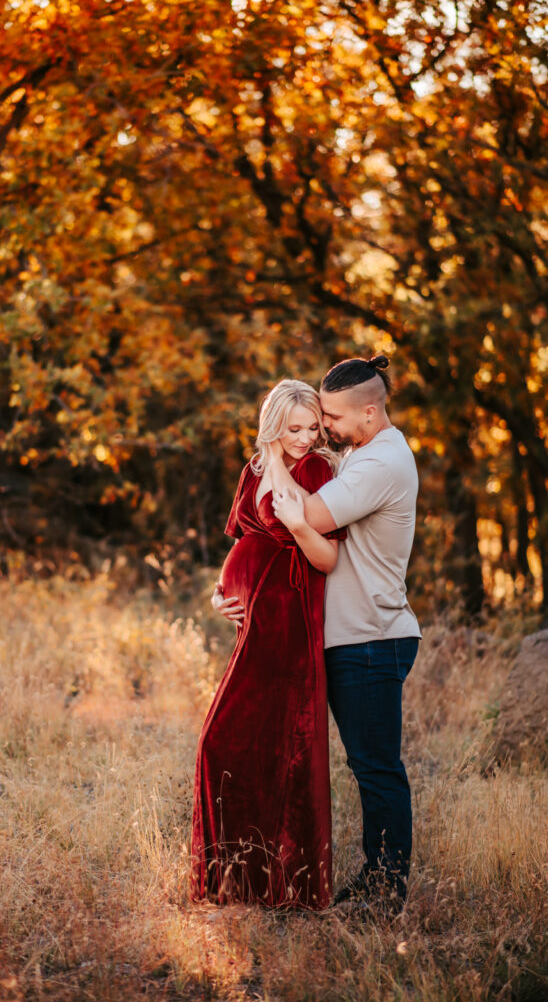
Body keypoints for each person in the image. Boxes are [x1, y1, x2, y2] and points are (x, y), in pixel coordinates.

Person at [270, 355, 420, 914]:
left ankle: (386, 891)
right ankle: (375, 877)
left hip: (371, 638)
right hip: (355, 637)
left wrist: (272, 453)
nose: (324, 426)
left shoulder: (379, 463)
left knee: (377, 768)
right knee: (366, 766)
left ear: (370, 410)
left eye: (330, 416)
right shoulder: (361, 451)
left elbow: (305, 511)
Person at [190, 379, 345, 909]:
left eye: (312, 427)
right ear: (273, 424)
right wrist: (218, 594)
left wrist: (277, 453)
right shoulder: (251, 471)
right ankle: (234, 883)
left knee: (287, 747)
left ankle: (289, 886)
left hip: (291, 621)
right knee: (225, 743)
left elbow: (327, 553)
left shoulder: (318, 469)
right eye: (293, 428)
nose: (305, 437)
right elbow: (240, 543)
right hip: (250, 621)